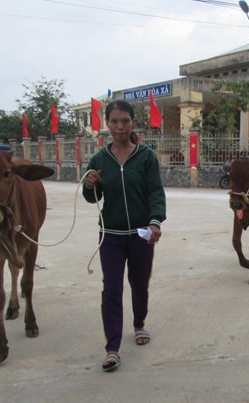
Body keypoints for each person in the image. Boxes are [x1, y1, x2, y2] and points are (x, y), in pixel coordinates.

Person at [83, 100, 166, 372]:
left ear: (133, 123)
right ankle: (112, 348)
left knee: (139, 284)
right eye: (115, 121)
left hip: (141, 235)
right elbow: (91, 198)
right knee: (112, 289)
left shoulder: (146, 156)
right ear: (107, 124)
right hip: (111, 235)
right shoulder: (99, 159)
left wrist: (155, 223)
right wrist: (90, 184)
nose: (120, 126)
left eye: (125, 121)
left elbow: (155, 192)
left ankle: (139, 323)